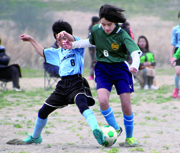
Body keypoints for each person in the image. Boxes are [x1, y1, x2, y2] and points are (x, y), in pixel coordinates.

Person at [62, 4, 142, 147]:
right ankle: (116, 129)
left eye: (109, 24)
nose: (106, 27)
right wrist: (72, 45)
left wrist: (135, 65)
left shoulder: (122, 34)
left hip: (121, 69)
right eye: (103, 24)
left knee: (126, 105)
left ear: (115, 22)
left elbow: (135, 52)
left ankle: (129, 138)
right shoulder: (96, 30)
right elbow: (89, 42)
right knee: (103, 102)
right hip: (103, 69)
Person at [19, 19, 105, 145]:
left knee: (82, 105)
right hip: (62, 85)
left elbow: (74, 40)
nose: (61, 41)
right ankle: (35, 137)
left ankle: (96, 130)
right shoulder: (57, 52)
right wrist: (31, 39)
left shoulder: (76, 46)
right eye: (58, 39)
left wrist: (66, 35)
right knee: (43, 111)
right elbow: (43, 52)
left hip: (76, 82)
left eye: (63, 38)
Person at [170, 11, 180, 99]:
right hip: (178, 51)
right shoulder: (175, 29)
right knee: (178, 72)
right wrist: (171, 57)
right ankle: (176, 88)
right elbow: (173, 43)